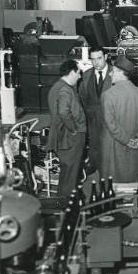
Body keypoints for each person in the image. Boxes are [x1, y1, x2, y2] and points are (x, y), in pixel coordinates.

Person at [100, 56, 138, 182]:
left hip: (113, 149)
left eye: (113, 71)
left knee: (112, 186)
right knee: (131, 184)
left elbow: (111, 125)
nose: (110, 74)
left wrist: (127, 140)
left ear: (120, 73)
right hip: (135, 148)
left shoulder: (108, 95)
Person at [47, 60, 86, 197]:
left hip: (63, 135)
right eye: (78, 73)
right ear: (71, 72)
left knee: (67, 173)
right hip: (69, 137)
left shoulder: (57, 87)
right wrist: (74, 129)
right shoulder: (65, 89)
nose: (80, 76)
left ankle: (64, 203)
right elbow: (63, 112)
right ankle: (68, 206)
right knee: (71, 174)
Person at [79, 47, 113, 173]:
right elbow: (82, 96)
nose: (96, 62)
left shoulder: (116, 73)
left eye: (99, 58)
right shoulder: (87, 74)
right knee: (94, 143)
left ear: (106, 57)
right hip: (92, 118)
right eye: (93, 59)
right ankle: (93, 164)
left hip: (111, 118)